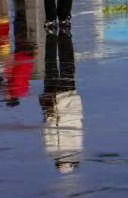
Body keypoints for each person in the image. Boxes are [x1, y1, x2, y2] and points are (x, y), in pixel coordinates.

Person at [40, 33, 82, 173]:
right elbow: (48, 128)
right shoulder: (51, 150)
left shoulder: (77, 147)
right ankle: (57, 39)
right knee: (51, 65)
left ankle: (64, 38)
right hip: (56, 102)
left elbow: (78, 124)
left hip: (68, 99)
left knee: (67, 65)